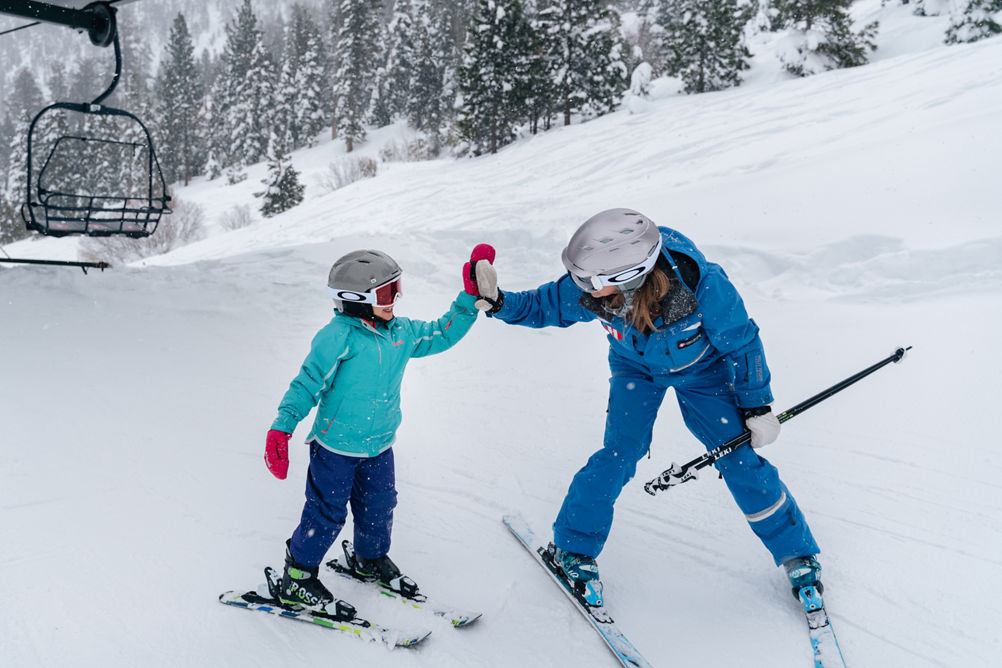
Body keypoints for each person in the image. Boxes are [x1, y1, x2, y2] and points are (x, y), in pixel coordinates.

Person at [475, 209, 821, 605]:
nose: (580, 289)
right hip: (635, 369)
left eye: (588, 281)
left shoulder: (704, 288)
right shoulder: (594, 289)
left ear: (628, 277)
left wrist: (757, 405)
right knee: (619, 454)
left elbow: (742, 343)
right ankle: (573, 548)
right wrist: (498, 302)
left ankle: (796, 554)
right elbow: (545, 305)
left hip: (702, 373)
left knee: (739, 458)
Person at [263, 246, 495, 610]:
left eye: (396, 288)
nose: (396, 298)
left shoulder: (399, 332)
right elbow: (307, 383)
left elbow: (441, 334)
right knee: (326, 513)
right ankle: (297, 577)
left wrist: (468, 300)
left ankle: (369, 558)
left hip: (379, 446)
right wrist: (282, 426)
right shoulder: (338, 337)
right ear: (355, 299)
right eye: (387, 293)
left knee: (380, 506)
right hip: (335, 448)